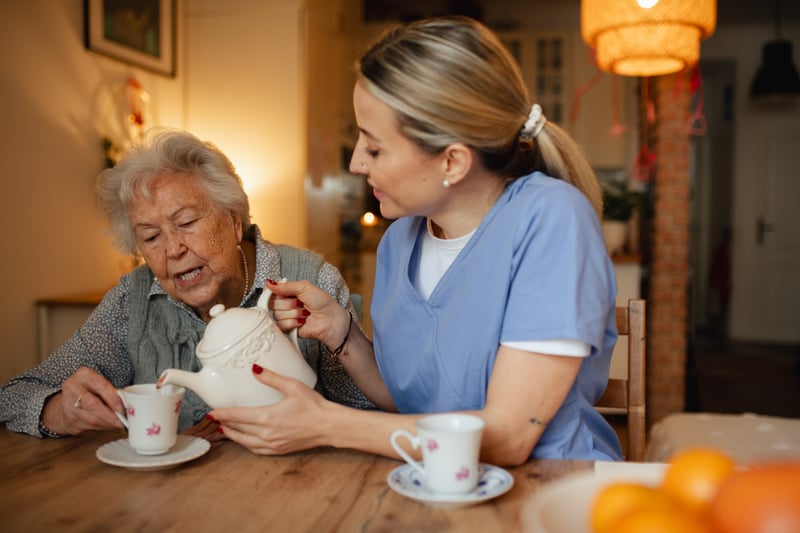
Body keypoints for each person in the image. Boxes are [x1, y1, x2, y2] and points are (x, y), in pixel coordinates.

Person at [208, 16, 623, 465]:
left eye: (374, 147)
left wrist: (326, 424)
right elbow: (410, 405)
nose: (356, 163)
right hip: (439, 482)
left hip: (551, 485)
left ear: (452, 161)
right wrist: (341, 332)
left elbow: (507, 437)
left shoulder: (551, 219)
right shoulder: (399, 242)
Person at [0, 129, 373, 439]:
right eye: (151, 237)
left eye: (187, 223)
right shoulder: (131, 301)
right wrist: (59, 412)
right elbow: (11, 396)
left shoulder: (309, 280)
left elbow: (370, 412)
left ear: (234, 220)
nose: (173, 249)